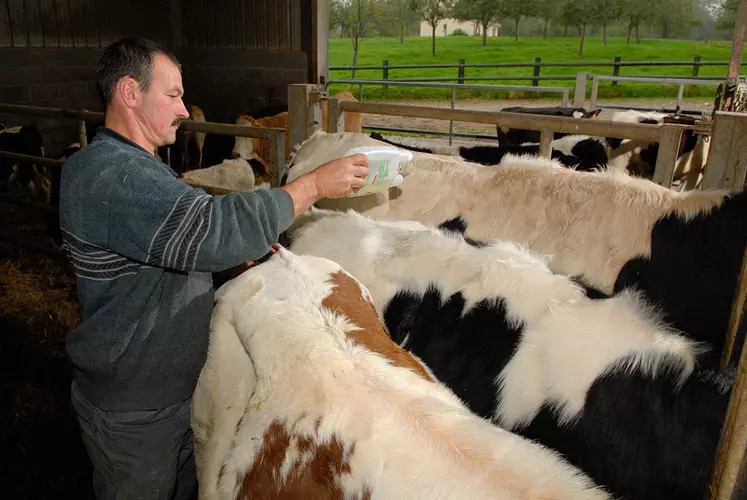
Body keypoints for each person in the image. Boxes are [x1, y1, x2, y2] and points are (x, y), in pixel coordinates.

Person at [59, 37, 369, 500]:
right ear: (129, 92)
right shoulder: (111, 175)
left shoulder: (137, 166)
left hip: (173, 392)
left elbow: (183, 243)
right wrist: (314, 185)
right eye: (173, 95)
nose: (185, 110)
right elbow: (210, 229)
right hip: (135, 406)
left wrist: (236, 256)